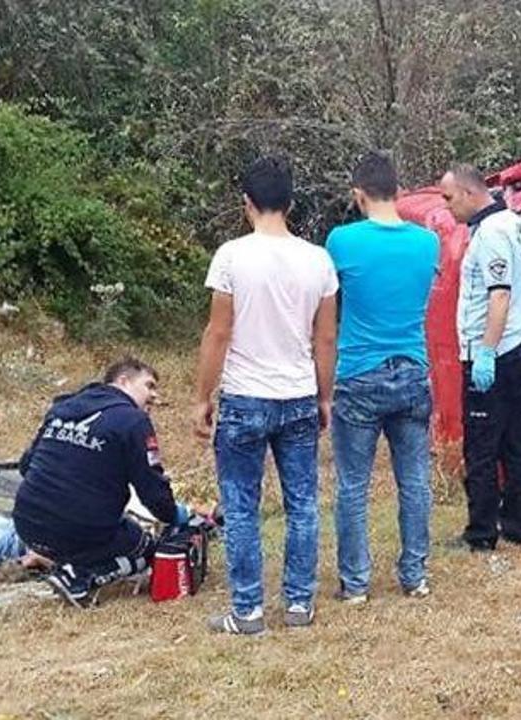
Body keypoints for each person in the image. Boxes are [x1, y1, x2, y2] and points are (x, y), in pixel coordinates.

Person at [192, 155, 338, 635]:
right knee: (303, 503)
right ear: (290, 204)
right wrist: (324, 397)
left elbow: (218, 332)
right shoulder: (318, 260)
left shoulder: (231, 256)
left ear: (247, 204)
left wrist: (202, 396)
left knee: (240, 507)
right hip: (297, 394)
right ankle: (298, 603)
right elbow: (325, 339)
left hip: (244, 396)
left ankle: (248, 610)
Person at [326, 152, 439, 602]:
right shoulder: (427, 242)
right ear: (400, 192)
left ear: (359, 195)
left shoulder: (342, 240)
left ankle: (355, 583)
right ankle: (414, 575)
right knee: (414, 480)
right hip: (412, 369)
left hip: (359, 372)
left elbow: (329, 300)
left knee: (353, 484)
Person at [13, 357, 191, 608]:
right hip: (79, 529)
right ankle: (79, 577)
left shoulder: (61, 408)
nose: (154, 395)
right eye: (149, 385)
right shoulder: (132, 420)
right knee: (146, 549)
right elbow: (152, 490)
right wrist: (175, 515)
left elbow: (25, 466)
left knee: (102, 524)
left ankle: (65, 562)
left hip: (26, 524)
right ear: (123, 381)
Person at [439, 164, 521, 552]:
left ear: (469, 193)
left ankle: (481, 532)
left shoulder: (493, 233)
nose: (447, 207)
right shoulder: (514, 222)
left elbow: (499, 294)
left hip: (495, 352)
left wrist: (485, 351)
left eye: (449, 198)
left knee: (481, 445)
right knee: (515, 439)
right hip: (520, 344)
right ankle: (517, 524)